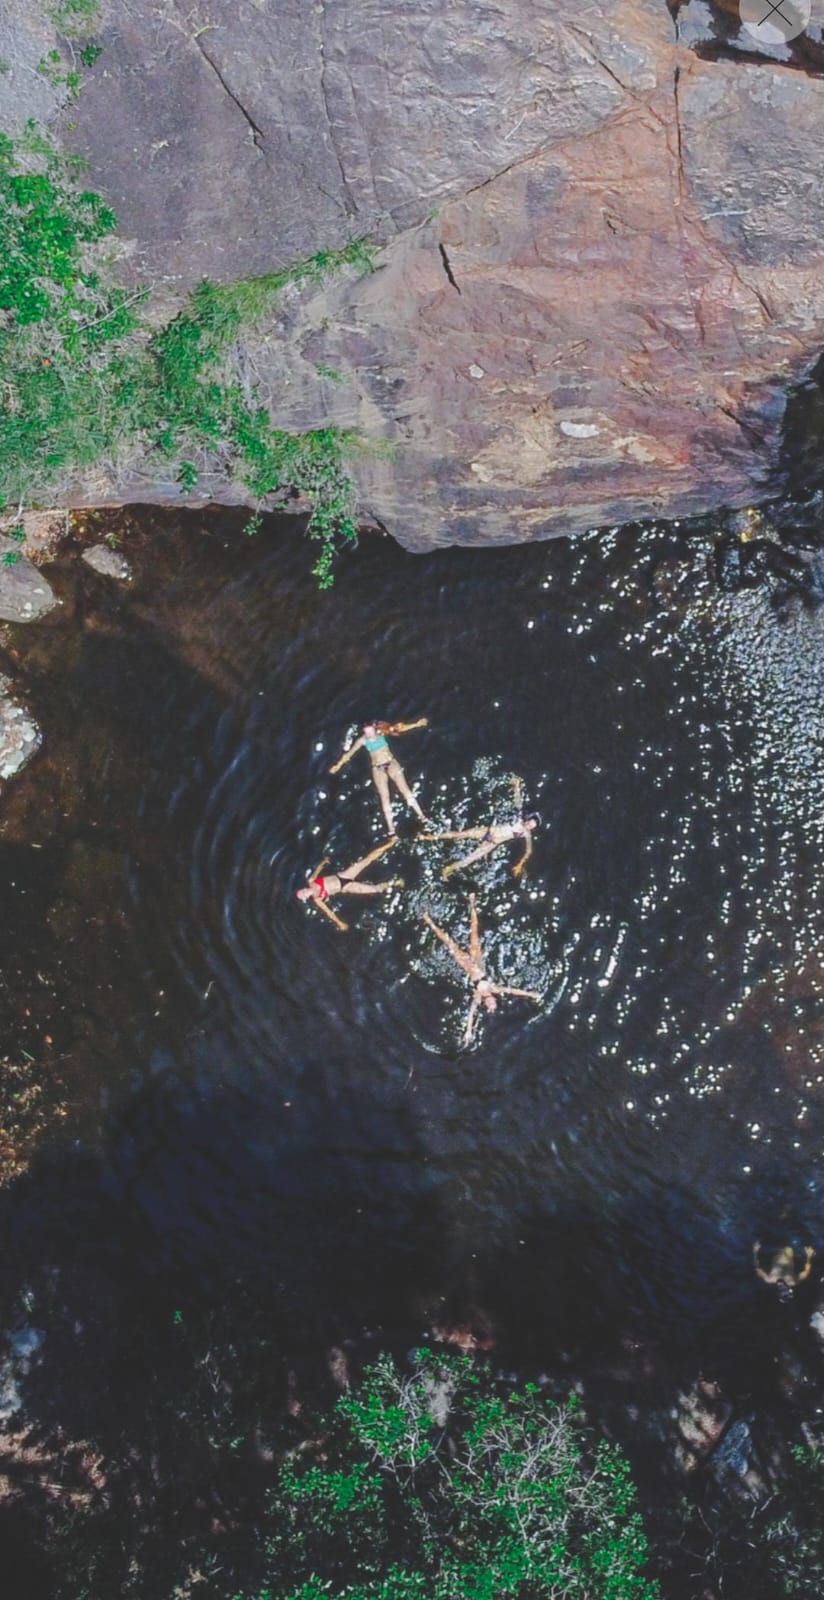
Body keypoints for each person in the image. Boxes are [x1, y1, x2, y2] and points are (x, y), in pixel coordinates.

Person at [421, 892, 541, 1046]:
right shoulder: (494, 988)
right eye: (494, 1003)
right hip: (478, 960)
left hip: (467, 965)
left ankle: (428, 920)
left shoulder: (478, 996)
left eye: (490, 1005)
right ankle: (472, 902)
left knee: (449, 943)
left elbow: (471, 1013)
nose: (492, 1003)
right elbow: (513, 991)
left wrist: (468, 1030)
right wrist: (531, 994)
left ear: (485, 1004)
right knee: (474, 930)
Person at [329, 719, 429, 836]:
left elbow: (399, 728)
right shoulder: (362, 741)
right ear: (364, 732)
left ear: (374, 729)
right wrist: (338, 765)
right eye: (367, 732)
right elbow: (349, 754)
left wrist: (417, 724)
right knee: (384, 798)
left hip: (391, 763)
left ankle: (422, 816)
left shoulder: (382, 732)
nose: (370, 734)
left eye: (371, 731)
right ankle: (391, 829)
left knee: (405, 790)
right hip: (378, 768)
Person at [296, 840, 403, 931]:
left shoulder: (311, 881)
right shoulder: (317, 899)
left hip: (343, 876)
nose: (304, 893)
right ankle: (394, 883)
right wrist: (339, 923)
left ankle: (389, 844)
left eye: (302, 892)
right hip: (346, 887)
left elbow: (317, 871)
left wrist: (323, 863)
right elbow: (328, 912)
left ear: (304, 888)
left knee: (367, 860)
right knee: (375, 889)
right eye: (303, 895)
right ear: (306, 898)